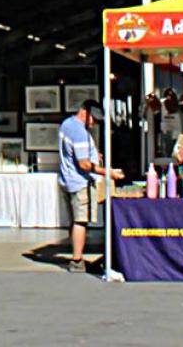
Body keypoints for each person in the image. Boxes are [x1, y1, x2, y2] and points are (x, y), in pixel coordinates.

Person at [58, 99, 123, 274]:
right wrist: (108, 172)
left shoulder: (66, 124)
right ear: (84, 112)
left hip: (67, 179)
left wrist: (94, 154)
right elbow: (84, 164)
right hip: (80, 182)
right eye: (93, 118)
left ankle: (76, 255)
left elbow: (73, 153)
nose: (94, 123)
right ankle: (77, 260)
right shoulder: (80, 132)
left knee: (74, 220)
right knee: (80, 221)